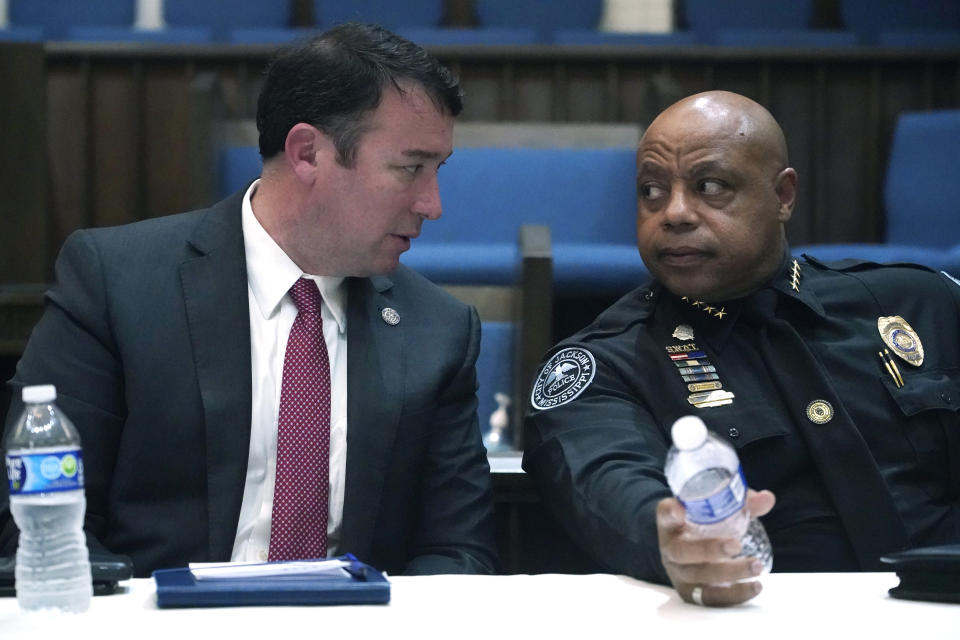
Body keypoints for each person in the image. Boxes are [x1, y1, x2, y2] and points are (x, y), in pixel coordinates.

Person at [0, 23, 497, 577]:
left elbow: (458, 551)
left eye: (437, 170)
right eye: (410, 168)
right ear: (307, 152)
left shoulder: (439, 331)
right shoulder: (117, 284)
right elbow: (35, 520)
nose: (433, 204)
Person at [522, 90, 960, 606]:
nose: (675, 213)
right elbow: (605, 481)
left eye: (711, 187)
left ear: (783, 196)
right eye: (651, 191)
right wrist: (671, 538)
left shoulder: (920, 302)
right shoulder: (606, 362)